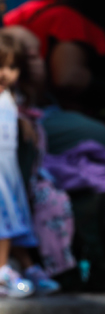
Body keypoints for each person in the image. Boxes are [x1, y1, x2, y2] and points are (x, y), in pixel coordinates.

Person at [0, 31, 40, 296]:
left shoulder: (11, 99)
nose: (5, 73)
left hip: (7, 173)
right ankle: (3, 269)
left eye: (12, 67)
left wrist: (23, 121)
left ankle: (5, 269)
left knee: (7, 222)